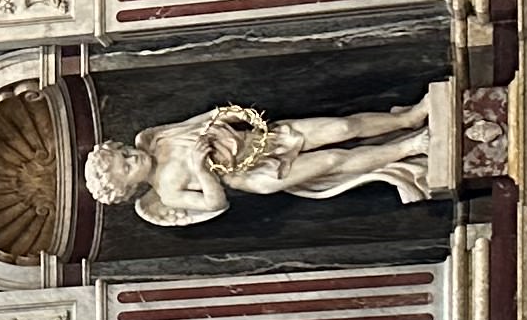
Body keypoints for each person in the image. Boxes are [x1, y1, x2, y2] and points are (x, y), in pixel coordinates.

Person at [79, 83, 455, 228]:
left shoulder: (157, 139)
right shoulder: (166, 193)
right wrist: (200, 169)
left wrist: (225, 118)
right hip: (250, 175)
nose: (132, 157)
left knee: (341, 129)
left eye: (124, 152)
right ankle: (407, 147)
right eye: (126, 166)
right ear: (128, 191)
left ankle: (410, 116)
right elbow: (215, 205)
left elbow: (203, 118)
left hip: (259, 138)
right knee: (330, 163)